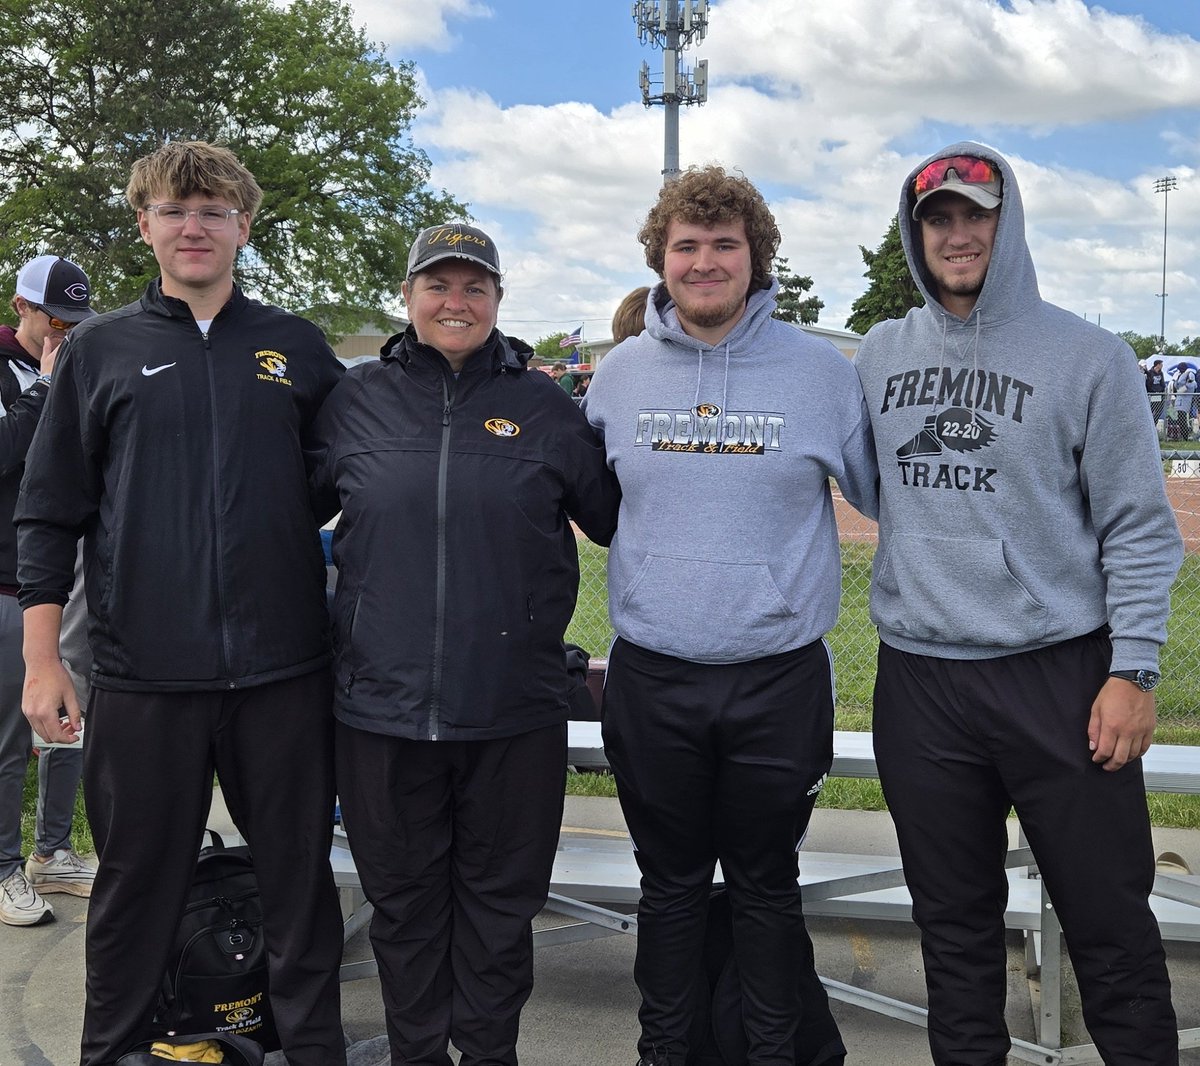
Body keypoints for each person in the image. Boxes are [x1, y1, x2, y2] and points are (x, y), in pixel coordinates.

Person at [16, 141, 347, 1066]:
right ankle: (113, 1052)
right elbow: (47, 516)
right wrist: (45, 661)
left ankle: (312, 1049)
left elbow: (353, 481)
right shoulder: (99, 351)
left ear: (244, 225)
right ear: (145, 226)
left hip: (283, 675)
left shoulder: (299, 348)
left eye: (212, 211)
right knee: (133, 890)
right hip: (143, 675)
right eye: (173, 210)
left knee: (297, 886)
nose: (193, 226)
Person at [853, 142, 1182, 1065]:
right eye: (937, 218)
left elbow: (1142, 530)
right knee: (954, 935)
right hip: (921, 684)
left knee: (1110, 924)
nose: (957, 235)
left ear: (1009, 221)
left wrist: (1134, 670)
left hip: (1059, 678)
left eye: (975, 214)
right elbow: (870, 486)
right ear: (915, 234)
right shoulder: (879, 353)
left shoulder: (1090, 357)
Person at [582, 164, 876, 1066]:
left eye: (724, 245)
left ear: (757, 258)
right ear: (659, 261)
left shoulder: (823, 373)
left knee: (765, 889)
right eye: (686, 247)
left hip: (776, 680)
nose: (704, 263)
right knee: (667, 891)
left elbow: (890, 500)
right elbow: (593, 506)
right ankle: (663, 1054)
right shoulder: (618, 376)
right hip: (654, 676)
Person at [308, 222, 620, 1066]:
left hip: (511, 713)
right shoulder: (354, 400)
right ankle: (415, 1055)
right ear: (408, 298)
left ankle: (488, 1055)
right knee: (404, 914)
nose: (457, 302)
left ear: (497, 300)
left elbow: (618, 516)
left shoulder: (546, 406)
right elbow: (278, 516)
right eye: (438, 286)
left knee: (498, 912)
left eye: (474, 286)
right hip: (380, 712)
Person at [0, 255, 97, 928]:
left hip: (67, 570)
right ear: (21, 309)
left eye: (74, 320)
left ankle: (52, 851)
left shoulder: (73, 365)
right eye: (52, 319)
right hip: (7, 577)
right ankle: (4, 866)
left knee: (68, 716)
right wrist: (44, 389)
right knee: (9, 734)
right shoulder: (19, 373)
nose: (63, 332)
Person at [1146, 357, 1167, 434]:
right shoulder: (1150, 372)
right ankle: (1148, 425)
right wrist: (1153, 391)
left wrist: (1161, 390)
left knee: (1158, 411)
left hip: (1159, 394)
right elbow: (1148, 384)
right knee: (1151, 410)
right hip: (1152, 394)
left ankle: (1154, 425)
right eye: (1161, 364)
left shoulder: (1161, 373)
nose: (1162, 366)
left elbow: (1162, 383)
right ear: (1157, 365)